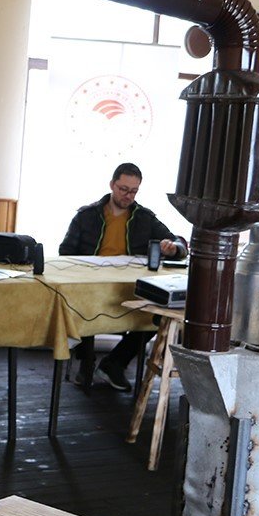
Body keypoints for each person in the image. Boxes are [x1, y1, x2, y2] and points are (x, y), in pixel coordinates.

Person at [58, 162, 189, 391]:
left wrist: (174, 248)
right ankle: (86, 362)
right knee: (83, 304)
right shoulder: (86, 215)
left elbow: (180, 245)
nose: (128, 195)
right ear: (112, 185)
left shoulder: (145, 218)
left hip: (128, 286)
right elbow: (65, 251)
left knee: (156, 315)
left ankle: (114, 363)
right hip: (92, 284)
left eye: (134, 191)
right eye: (123, 189)